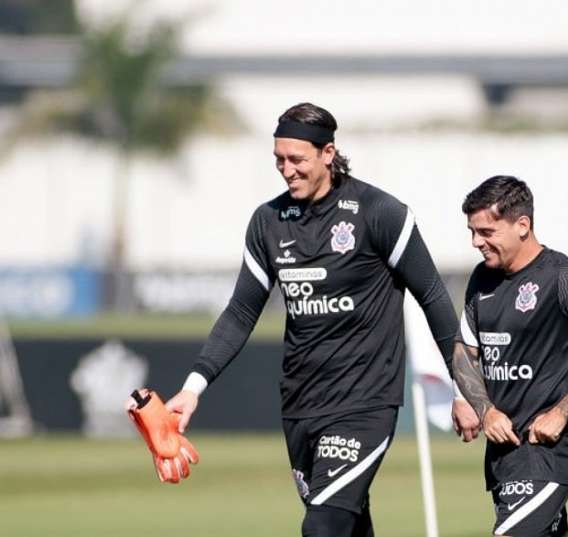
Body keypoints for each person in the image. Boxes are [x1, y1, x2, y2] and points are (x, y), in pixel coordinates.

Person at [163, 102, 478, 537]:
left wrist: (467, 390)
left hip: (364, 404)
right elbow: (240, 312)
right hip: (300, 405)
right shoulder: (268, 222)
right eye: (279, 160)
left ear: (328, 153)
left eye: (297, 160)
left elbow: (434, 299)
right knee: (347, 525)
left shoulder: (380, 213)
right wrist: (192, 388)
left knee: (322, 527)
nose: (286, 170)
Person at [452, 176, 568, 537]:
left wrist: (560, 413)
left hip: (547, 452)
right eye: (472, 232)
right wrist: (482, 407)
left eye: (486, 231)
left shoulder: (563, 278)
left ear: (523, 225)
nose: (477, 242)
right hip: (504, 457)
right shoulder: (481, 279)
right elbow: (464, 351)